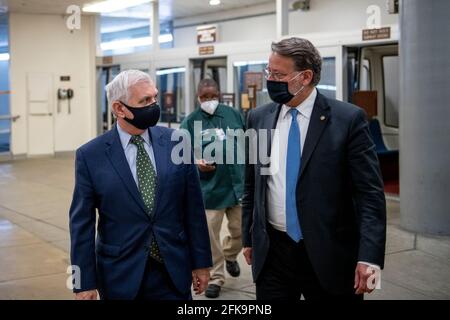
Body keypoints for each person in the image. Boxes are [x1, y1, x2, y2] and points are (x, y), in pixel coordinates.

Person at [242, 37, 386, 300]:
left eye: (278, 74)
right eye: (268, 72)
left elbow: (370, 195)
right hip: (274, 252)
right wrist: (248, 237)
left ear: (305, 76)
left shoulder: (348, 120)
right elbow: (252, 183)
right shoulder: (258, 118)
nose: (270, 80)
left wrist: (369, 257)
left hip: (330, 254)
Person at [69, 70, 212, 300]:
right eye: (144, 101)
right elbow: (81, 225)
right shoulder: (90, 156)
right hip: (119, 275)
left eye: (154, 97)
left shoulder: (177, 141)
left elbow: (193, 210)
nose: (154, 105)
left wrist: (202, 263)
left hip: (173, 271)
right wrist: (82, 282)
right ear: (119, 108)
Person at [180, 79, 245, 298]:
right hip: (209, 189)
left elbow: (248, 143)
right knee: (209, 235)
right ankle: (217, 276)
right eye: (205, 97)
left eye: (213, 96)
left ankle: (230, 255)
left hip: (237, 184)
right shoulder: (190, 122)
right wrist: (196, 163)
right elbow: (180, 154)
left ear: (220, 94)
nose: (210, 101)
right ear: (198, 97)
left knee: (242, 230)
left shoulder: (233, 114)